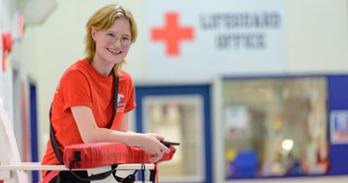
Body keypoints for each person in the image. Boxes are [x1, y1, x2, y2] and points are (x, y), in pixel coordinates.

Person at [41, 4, 169, 182]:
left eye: (125, 38)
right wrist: (140, 140)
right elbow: (91, 136)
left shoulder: (125, 82)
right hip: (64, 172)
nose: (118, 44)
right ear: (94, 33)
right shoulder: (76, 76)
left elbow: (122, 134)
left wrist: (148, 142)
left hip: (101, 172)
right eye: (111, 34)